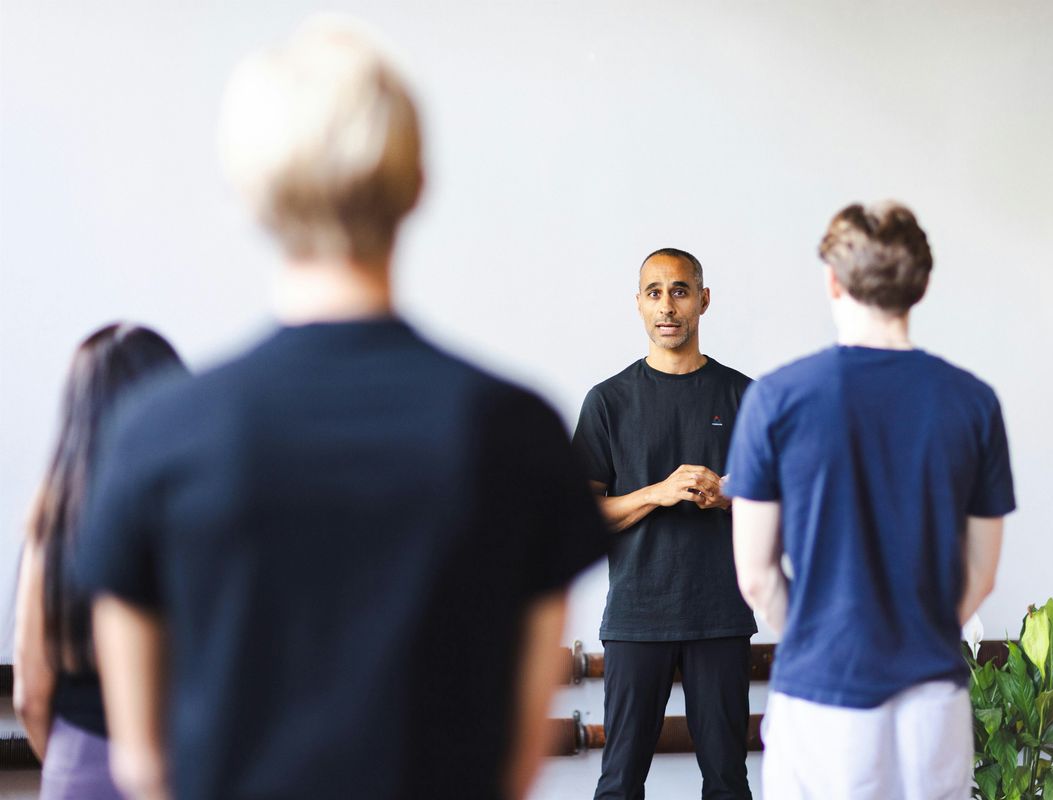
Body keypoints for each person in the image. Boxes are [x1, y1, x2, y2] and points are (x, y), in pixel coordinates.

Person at [75, 17, 608, 800]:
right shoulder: (513, 430)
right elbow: (519, 753)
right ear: (417, 185)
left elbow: (144, 762)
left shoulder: (160, 434)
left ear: (249, 195)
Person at [727, 202, 1015, 799]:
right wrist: (918, 635)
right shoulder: (973, 402)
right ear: (921, 286)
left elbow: (756, 577)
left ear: (833, 281)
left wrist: (817, 639)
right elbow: (982, 572)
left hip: (819, 698)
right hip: (932, 699)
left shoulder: (777, 399)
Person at [574, 248, 756, 800]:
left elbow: (785, 506)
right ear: (639, 304)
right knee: (620, 781)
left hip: (720, 614)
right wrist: (657, 492)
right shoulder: (607, 401)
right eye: (654, 293)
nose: (667, 306)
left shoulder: (745, 397)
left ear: (703, 300)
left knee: (728, 781)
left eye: (680, 291)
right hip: (636, 616)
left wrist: (728, 497)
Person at [13, 323, 186, 800]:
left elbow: (30, 693)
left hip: (81, 765)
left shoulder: (52, 515)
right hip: (189, 760)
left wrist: (71, 765)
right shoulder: (197, 503)